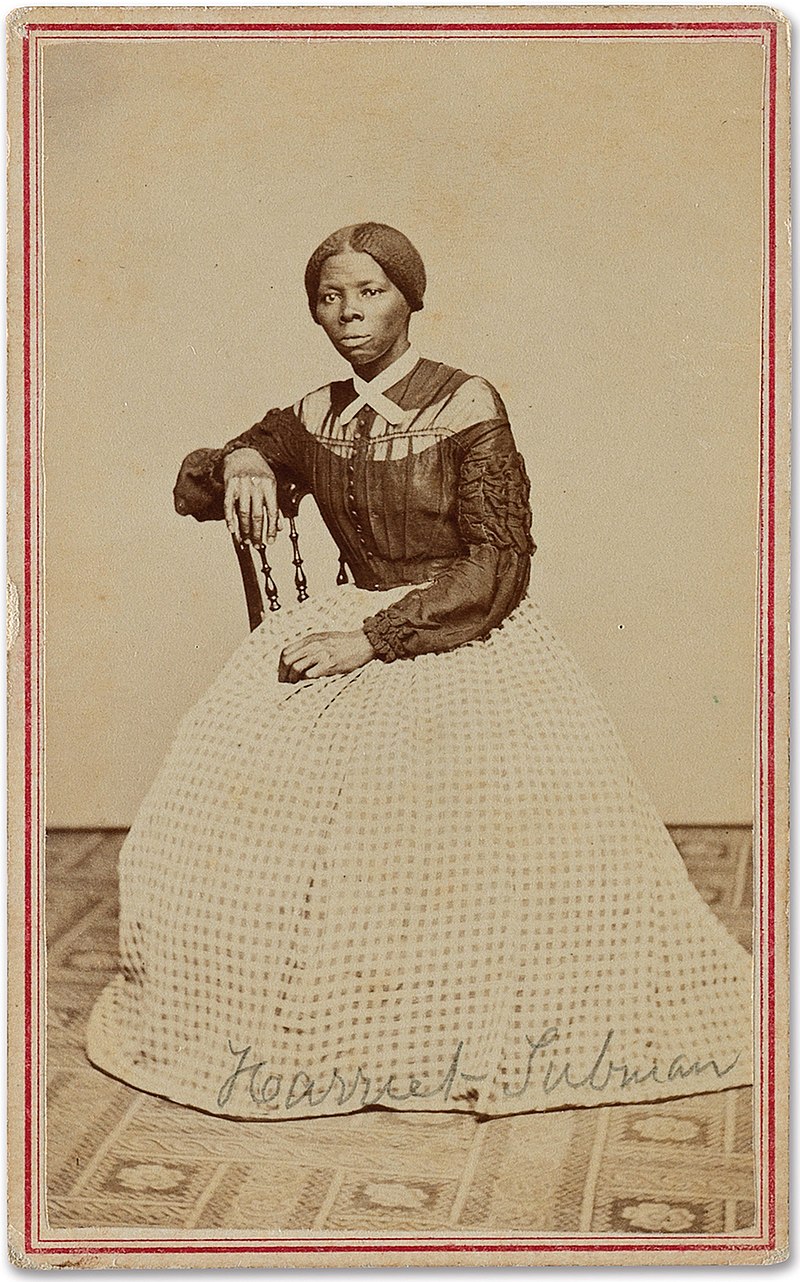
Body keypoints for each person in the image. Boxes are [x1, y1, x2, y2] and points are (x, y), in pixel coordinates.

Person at [86, 222, 753, 1120]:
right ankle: (320, 1029)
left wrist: (374, 639)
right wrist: (244, 457)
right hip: (346, 617)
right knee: (203, 821)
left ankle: (447, 1031)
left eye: (370, 292)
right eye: (330, 297)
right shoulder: (315, 413)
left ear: (409, 297)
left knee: (454, 839)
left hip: (460, 633)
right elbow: (207, 483)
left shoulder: (464, 403)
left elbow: (500, 563)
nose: (349, 314)